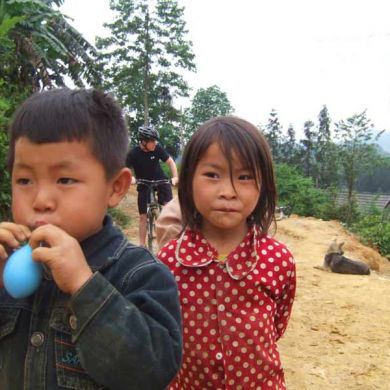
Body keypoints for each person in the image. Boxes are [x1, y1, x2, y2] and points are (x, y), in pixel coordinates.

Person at [0, 88, 182, 389]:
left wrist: (85, 287)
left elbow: (152, 372)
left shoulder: (140, 275)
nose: (41, 199)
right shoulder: (8, 266)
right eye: (24, 180)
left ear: (115, 187)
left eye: (65, 180)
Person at [158, 116, 296, 389]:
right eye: (212, 175)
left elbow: (276, 326)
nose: (228, 192)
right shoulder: (168, 262)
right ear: (188, 181)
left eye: (244, 177)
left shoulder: (279, 260)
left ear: (263, 184)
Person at [126, 125, 178, 247]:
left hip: (160, 180)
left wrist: (175, 177)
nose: (155, 143)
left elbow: (170, 162)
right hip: (143, 182)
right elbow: (123, 169)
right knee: (143, 216)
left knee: (168, 210)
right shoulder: (133, 153)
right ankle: (142, 246)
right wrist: (130, 178)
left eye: (155, 140)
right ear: (143, 141)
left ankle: (171, 242)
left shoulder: (157, 148)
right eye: (152, 141)